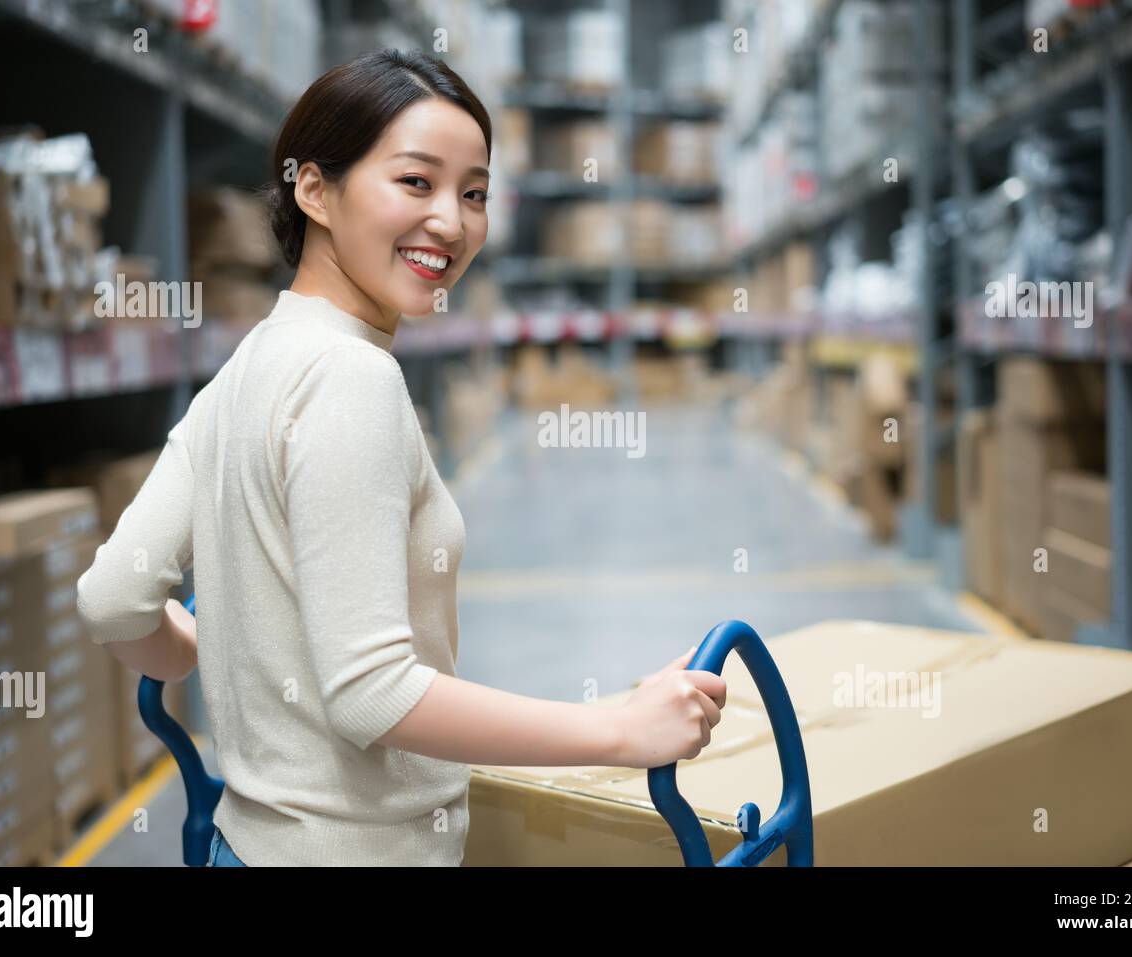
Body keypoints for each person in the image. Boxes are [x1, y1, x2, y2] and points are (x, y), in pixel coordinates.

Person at [76, 49, 726, 867]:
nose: (452, 223)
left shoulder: (247, 369)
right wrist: (618, 729)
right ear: (314, 189)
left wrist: (200, 644)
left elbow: (113, 597)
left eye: (474, 192)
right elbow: (371, 692)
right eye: (415, 183)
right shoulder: (354, 379)